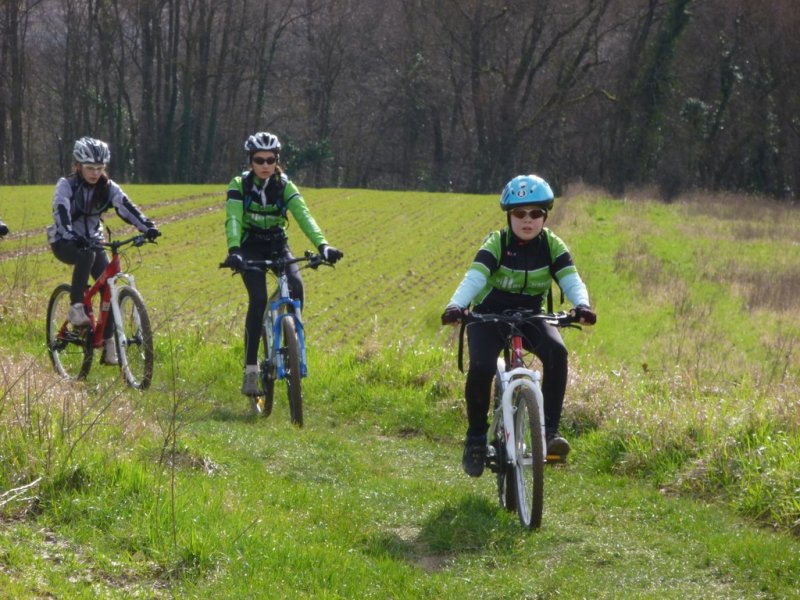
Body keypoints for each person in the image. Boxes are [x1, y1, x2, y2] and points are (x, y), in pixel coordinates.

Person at [441, 174, 596, 477]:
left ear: (545, 216)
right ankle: (475, 438)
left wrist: (582, 305)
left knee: (557, 353)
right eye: (520, 213)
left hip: (531, 315)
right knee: (483, 368)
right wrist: (456, 306)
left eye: (536, 213)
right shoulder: (497, 243)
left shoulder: (551, 245)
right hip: (488, 317)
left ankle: (548, 432)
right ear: (509, 215)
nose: (528, 220)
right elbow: (474, 277)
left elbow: (570, 277)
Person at [222, 131, 343, 396]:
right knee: (258, 299)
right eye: (259, 160)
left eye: (270, 159)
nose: (265, 165)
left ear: (277, 160)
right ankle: (251, 369)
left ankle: (292, 345)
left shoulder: (285, 185)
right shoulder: (239, 185)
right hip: (249, 246)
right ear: (250, 162)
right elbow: (233, 218)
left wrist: (323, 245)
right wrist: (234, 250)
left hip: (277, 244)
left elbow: (304, 215)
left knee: (297, 286)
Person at [47, 136, 161, 365]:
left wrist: (147, 226)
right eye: (90, 168)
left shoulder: (107, 187)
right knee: (86, 254)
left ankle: (109, 344)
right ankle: (76, 307)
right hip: (65, 241)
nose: (95, 173)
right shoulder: (66, 185)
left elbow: (127, 207)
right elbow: (61, 211)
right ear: (78, 165)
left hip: (94, 240)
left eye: (99, 168)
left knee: (110, 286)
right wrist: (69, 233)